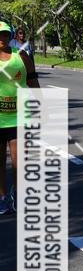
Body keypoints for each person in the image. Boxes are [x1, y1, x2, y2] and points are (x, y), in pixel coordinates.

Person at [0, 21, 40, 215]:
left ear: (11, 36)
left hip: (19, 117)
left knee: (18, 161)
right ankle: (1, 197)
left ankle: (16, 195)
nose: (2, 38)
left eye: (5, 35)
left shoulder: (22, 57)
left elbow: (33, 82)